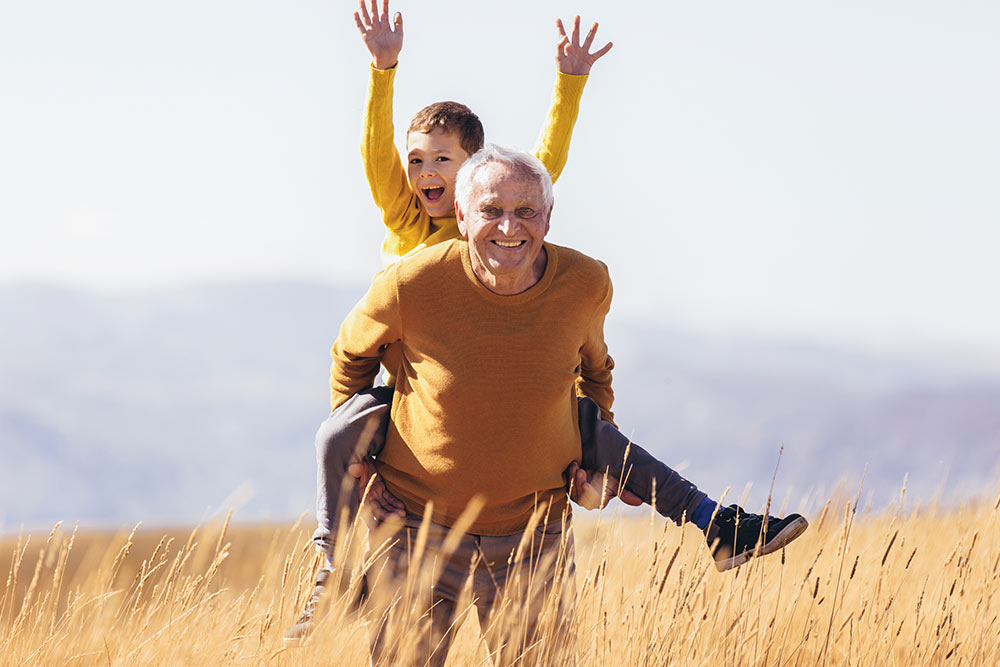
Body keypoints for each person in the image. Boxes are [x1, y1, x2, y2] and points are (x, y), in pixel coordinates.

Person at [288, 147, 809, 662]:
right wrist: (361, 467)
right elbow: (350, 355)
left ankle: (715, 523)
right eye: (491, 210)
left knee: (583, 419)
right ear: (462, 216)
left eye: (526, 211)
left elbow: (595, 371)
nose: (509, 227)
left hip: (535, 540)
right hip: (415, 533)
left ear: (549, 217)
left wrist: (593, 465)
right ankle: (712, 519)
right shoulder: (411, 284)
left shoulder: (584, 283)